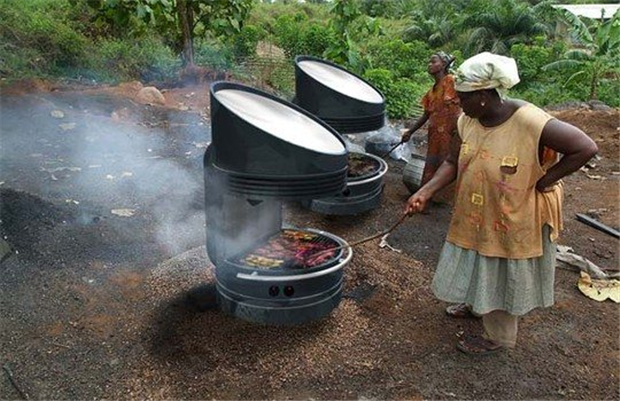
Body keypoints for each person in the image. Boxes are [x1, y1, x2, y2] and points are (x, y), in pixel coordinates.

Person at [404, 52, 598, 355]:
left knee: (499, 266)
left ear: (483, 95)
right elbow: (452, 162)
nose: (458, 103)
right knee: (476, 255)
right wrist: (425, 191)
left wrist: (545, 180)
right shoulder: (466, 121)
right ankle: (478, 304)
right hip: (477, 207)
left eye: (463, 97)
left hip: (513, 212)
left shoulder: (528, 120)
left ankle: (499, 337)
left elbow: (585, 148)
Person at [402, 51, 461, 189]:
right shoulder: (431, 92)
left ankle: (443, 202)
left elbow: (463, 106)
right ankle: (428, 199)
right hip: (435, 137)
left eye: (434, 61)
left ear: (444, 64)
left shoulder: (451, 82)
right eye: (430, 61)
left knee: (448, 165)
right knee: (432, 166)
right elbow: (426, 115)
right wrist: (410, 132)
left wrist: (458, 130)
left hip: (451, 134)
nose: (430, 64)